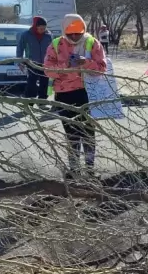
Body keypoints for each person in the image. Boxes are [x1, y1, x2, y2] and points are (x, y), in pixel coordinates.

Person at [44, 14, 107, 179]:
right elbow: (48, 70)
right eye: (70, 33)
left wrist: (85, 62)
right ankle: (73, 169)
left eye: (77, 33)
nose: (73, 37)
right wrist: (67, 66)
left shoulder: (92, 43)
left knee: (88, 134)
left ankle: (90, 170)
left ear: (83, 30)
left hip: (87, 94)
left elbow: (101, 68)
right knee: (71, 134)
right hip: (65, 96)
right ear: (64, 31)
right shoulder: (56, 45)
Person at [16, 16, 53, 108]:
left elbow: (52, 49)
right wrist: (20, 61)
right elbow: (20, 48)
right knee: (31, 84)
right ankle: (29, 103)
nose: (43, 30)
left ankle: (42, 102)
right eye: (40, 28)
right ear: (35, 26)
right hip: (31, 63)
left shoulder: (48, 35)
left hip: (45, 64)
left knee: (44, 83)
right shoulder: (26, 35)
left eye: (44, 28)